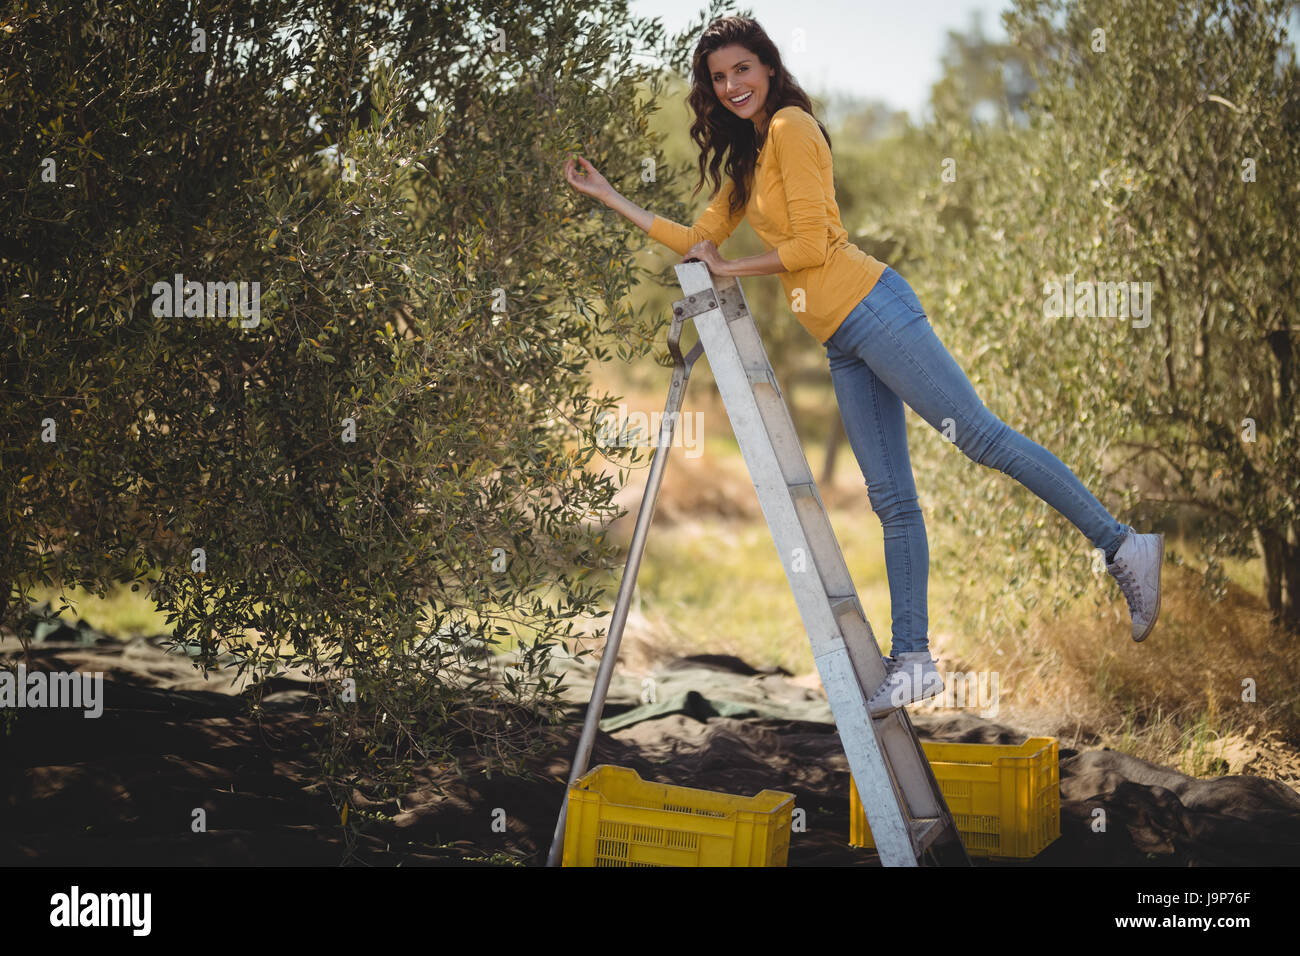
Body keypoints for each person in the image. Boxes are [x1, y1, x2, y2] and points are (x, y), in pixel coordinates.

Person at [563, 15, 1164, 718]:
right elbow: (698, 241)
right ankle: (912, 658)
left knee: (980, 437)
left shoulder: (791, 127)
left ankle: (1123, 545)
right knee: (892, 501)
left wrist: (734, 268)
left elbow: (814, 245)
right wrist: (612, 198)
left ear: (767, 68)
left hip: (873, 307)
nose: (731, 87)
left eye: (742, 71)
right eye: (718, 77)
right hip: (840, 338)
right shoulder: (750, 158)